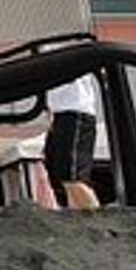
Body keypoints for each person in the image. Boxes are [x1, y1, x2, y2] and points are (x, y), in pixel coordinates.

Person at [44, 73, 102, 210]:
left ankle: (96, 226)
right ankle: (77, 220)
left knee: (73, 178)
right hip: (58, 113)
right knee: (60, 179)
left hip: (76, 110)